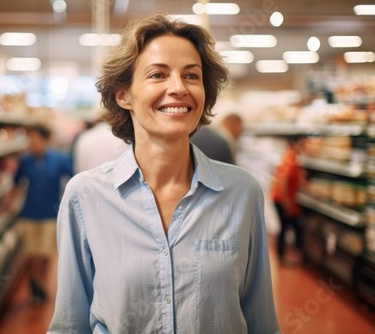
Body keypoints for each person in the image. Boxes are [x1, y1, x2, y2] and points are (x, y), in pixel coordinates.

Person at [49, 14, 280, 333]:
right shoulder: (86, 196)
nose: (178, 88)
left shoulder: (242, 193)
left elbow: (261, 322)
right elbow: (70, 325)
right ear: (123, 94)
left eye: (192, 76)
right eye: (158, 74)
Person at [13, 126, 73, 303]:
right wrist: (9, 205)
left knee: (46, 252)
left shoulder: (59, 159)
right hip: (30, 211)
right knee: (32, 252)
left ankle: (42, 283)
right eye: (30, 139)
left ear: (44, 140)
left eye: (35, 139)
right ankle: (36, 283)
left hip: (51, 212)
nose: (32, 143)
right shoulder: (25, 161)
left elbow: (73, 179)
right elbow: (16, 183)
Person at [270, 136, 306, 265]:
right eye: (303, 144)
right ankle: (283, 256)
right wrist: (286, 202)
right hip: (282, 198)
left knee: (287, 226)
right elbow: (284, 180)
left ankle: (286, 255)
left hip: (278, 197)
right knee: (286, 226)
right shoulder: (292, 159)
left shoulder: (288, 155)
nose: (305, 147)